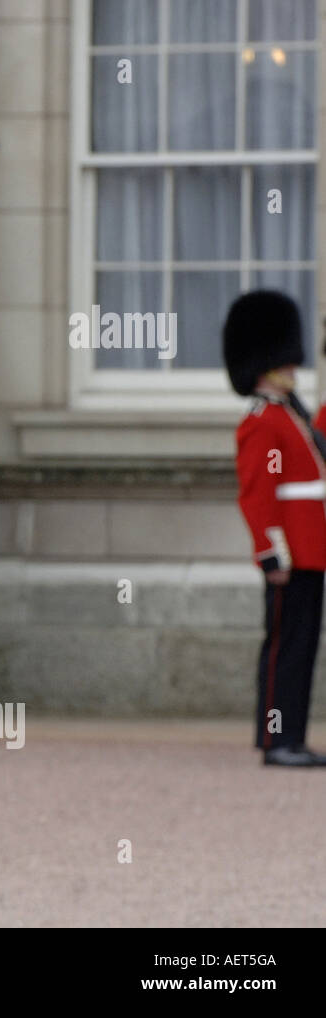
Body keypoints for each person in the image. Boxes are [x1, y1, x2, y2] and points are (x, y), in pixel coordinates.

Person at [224, 290, 326, 767]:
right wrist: (271, 553)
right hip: (292, 553)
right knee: (286, 647)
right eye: (284, 360)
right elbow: (258, 496)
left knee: (301, 648)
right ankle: (277, 741)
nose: (294, 368)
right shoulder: (263, 422)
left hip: (312, 548)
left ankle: (290, 737)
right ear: (265, 363)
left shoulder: (291, 415)